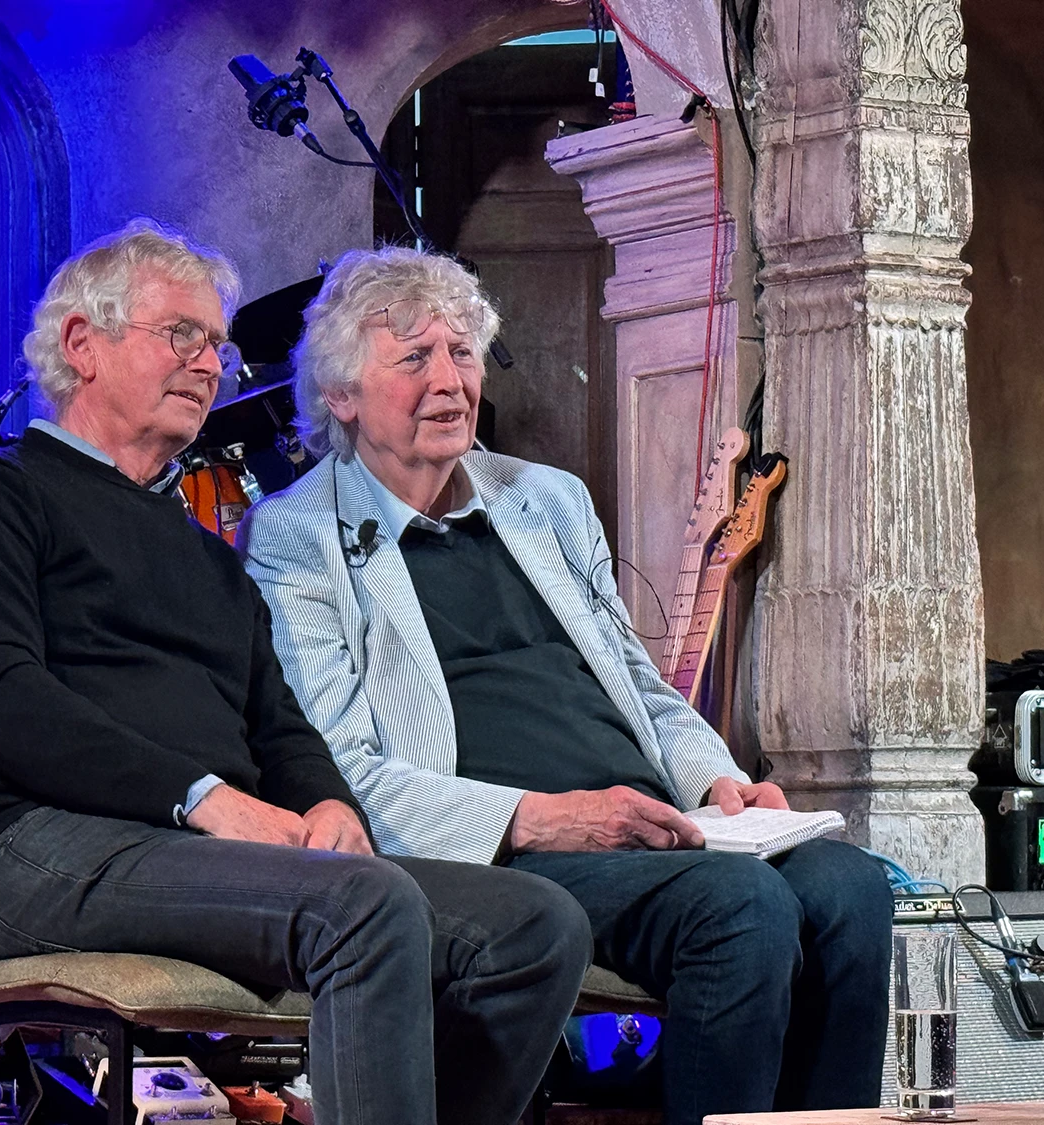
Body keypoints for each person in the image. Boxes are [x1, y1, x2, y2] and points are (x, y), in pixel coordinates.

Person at [0, 220, 592, 1125]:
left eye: (217, 345)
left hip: (192, 851)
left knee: (537, 926)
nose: (209, 363)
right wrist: (204, 798)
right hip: (38, 845)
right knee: (365, 907)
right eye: (181, 334)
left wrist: (329, 804)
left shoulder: (206, 553)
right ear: (82, 344)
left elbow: (278, 723)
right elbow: (3, 703)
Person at [240, 246, 894, 1125]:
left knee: (851, 889)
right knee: (741, 908)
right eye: (414, 357)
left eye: (462, 352)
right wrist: (543, 816)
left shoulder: (545, 498)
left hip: (649, 818)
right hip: (505, 848)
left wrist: (716, 781)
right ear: (341, 394)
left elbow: (637, 682)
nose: (449, 381)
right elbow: (341, 770)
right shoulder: (299, 536)